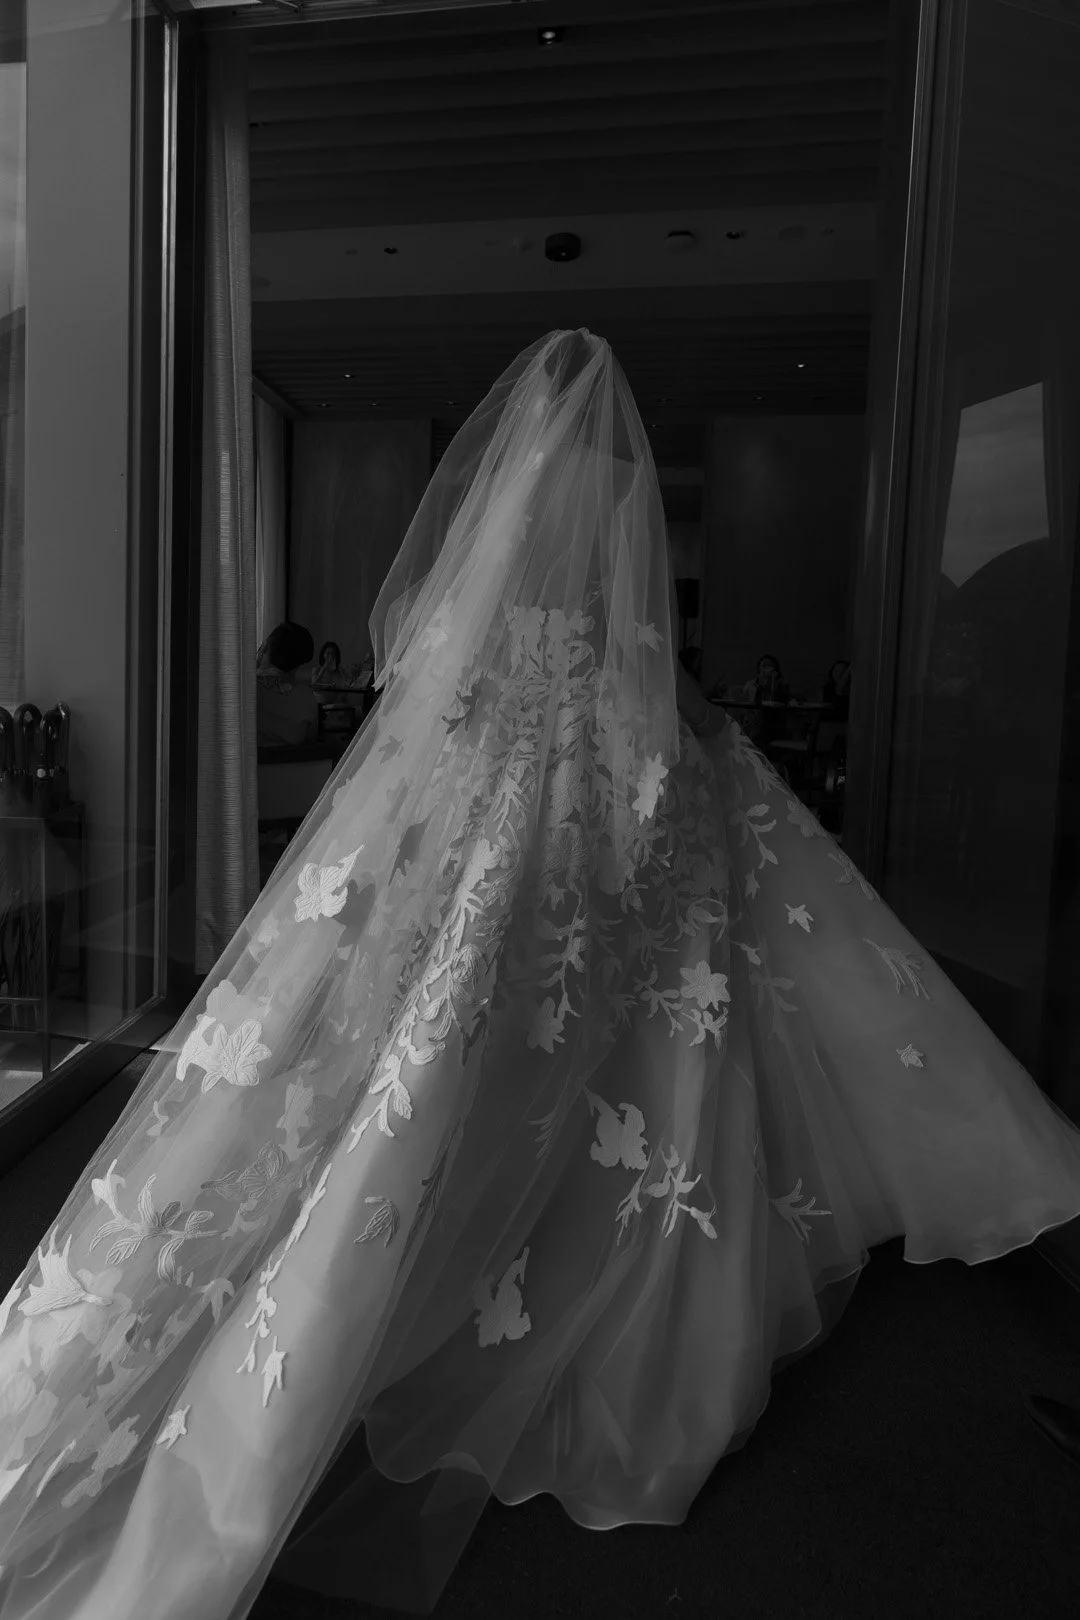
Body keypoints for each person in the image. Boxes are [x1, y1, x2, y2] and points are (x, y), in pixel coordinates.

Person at [1, 331, 1080, 1620]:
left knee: (445, 1029)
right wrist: (689, 738)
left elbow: (427, 666)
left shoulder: (497, 542)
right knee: (607, 1019)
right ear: (607, 451)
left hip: (493, 781)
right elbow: (632, 669)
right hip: (585, 772)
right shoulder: (618, 516)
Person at [255, 621, 318, 746]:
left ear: (265, 646)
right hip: (293, 764)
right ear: (297, 665)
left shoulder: (241, 690)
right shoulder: (307, 699)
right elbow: (311, 742)